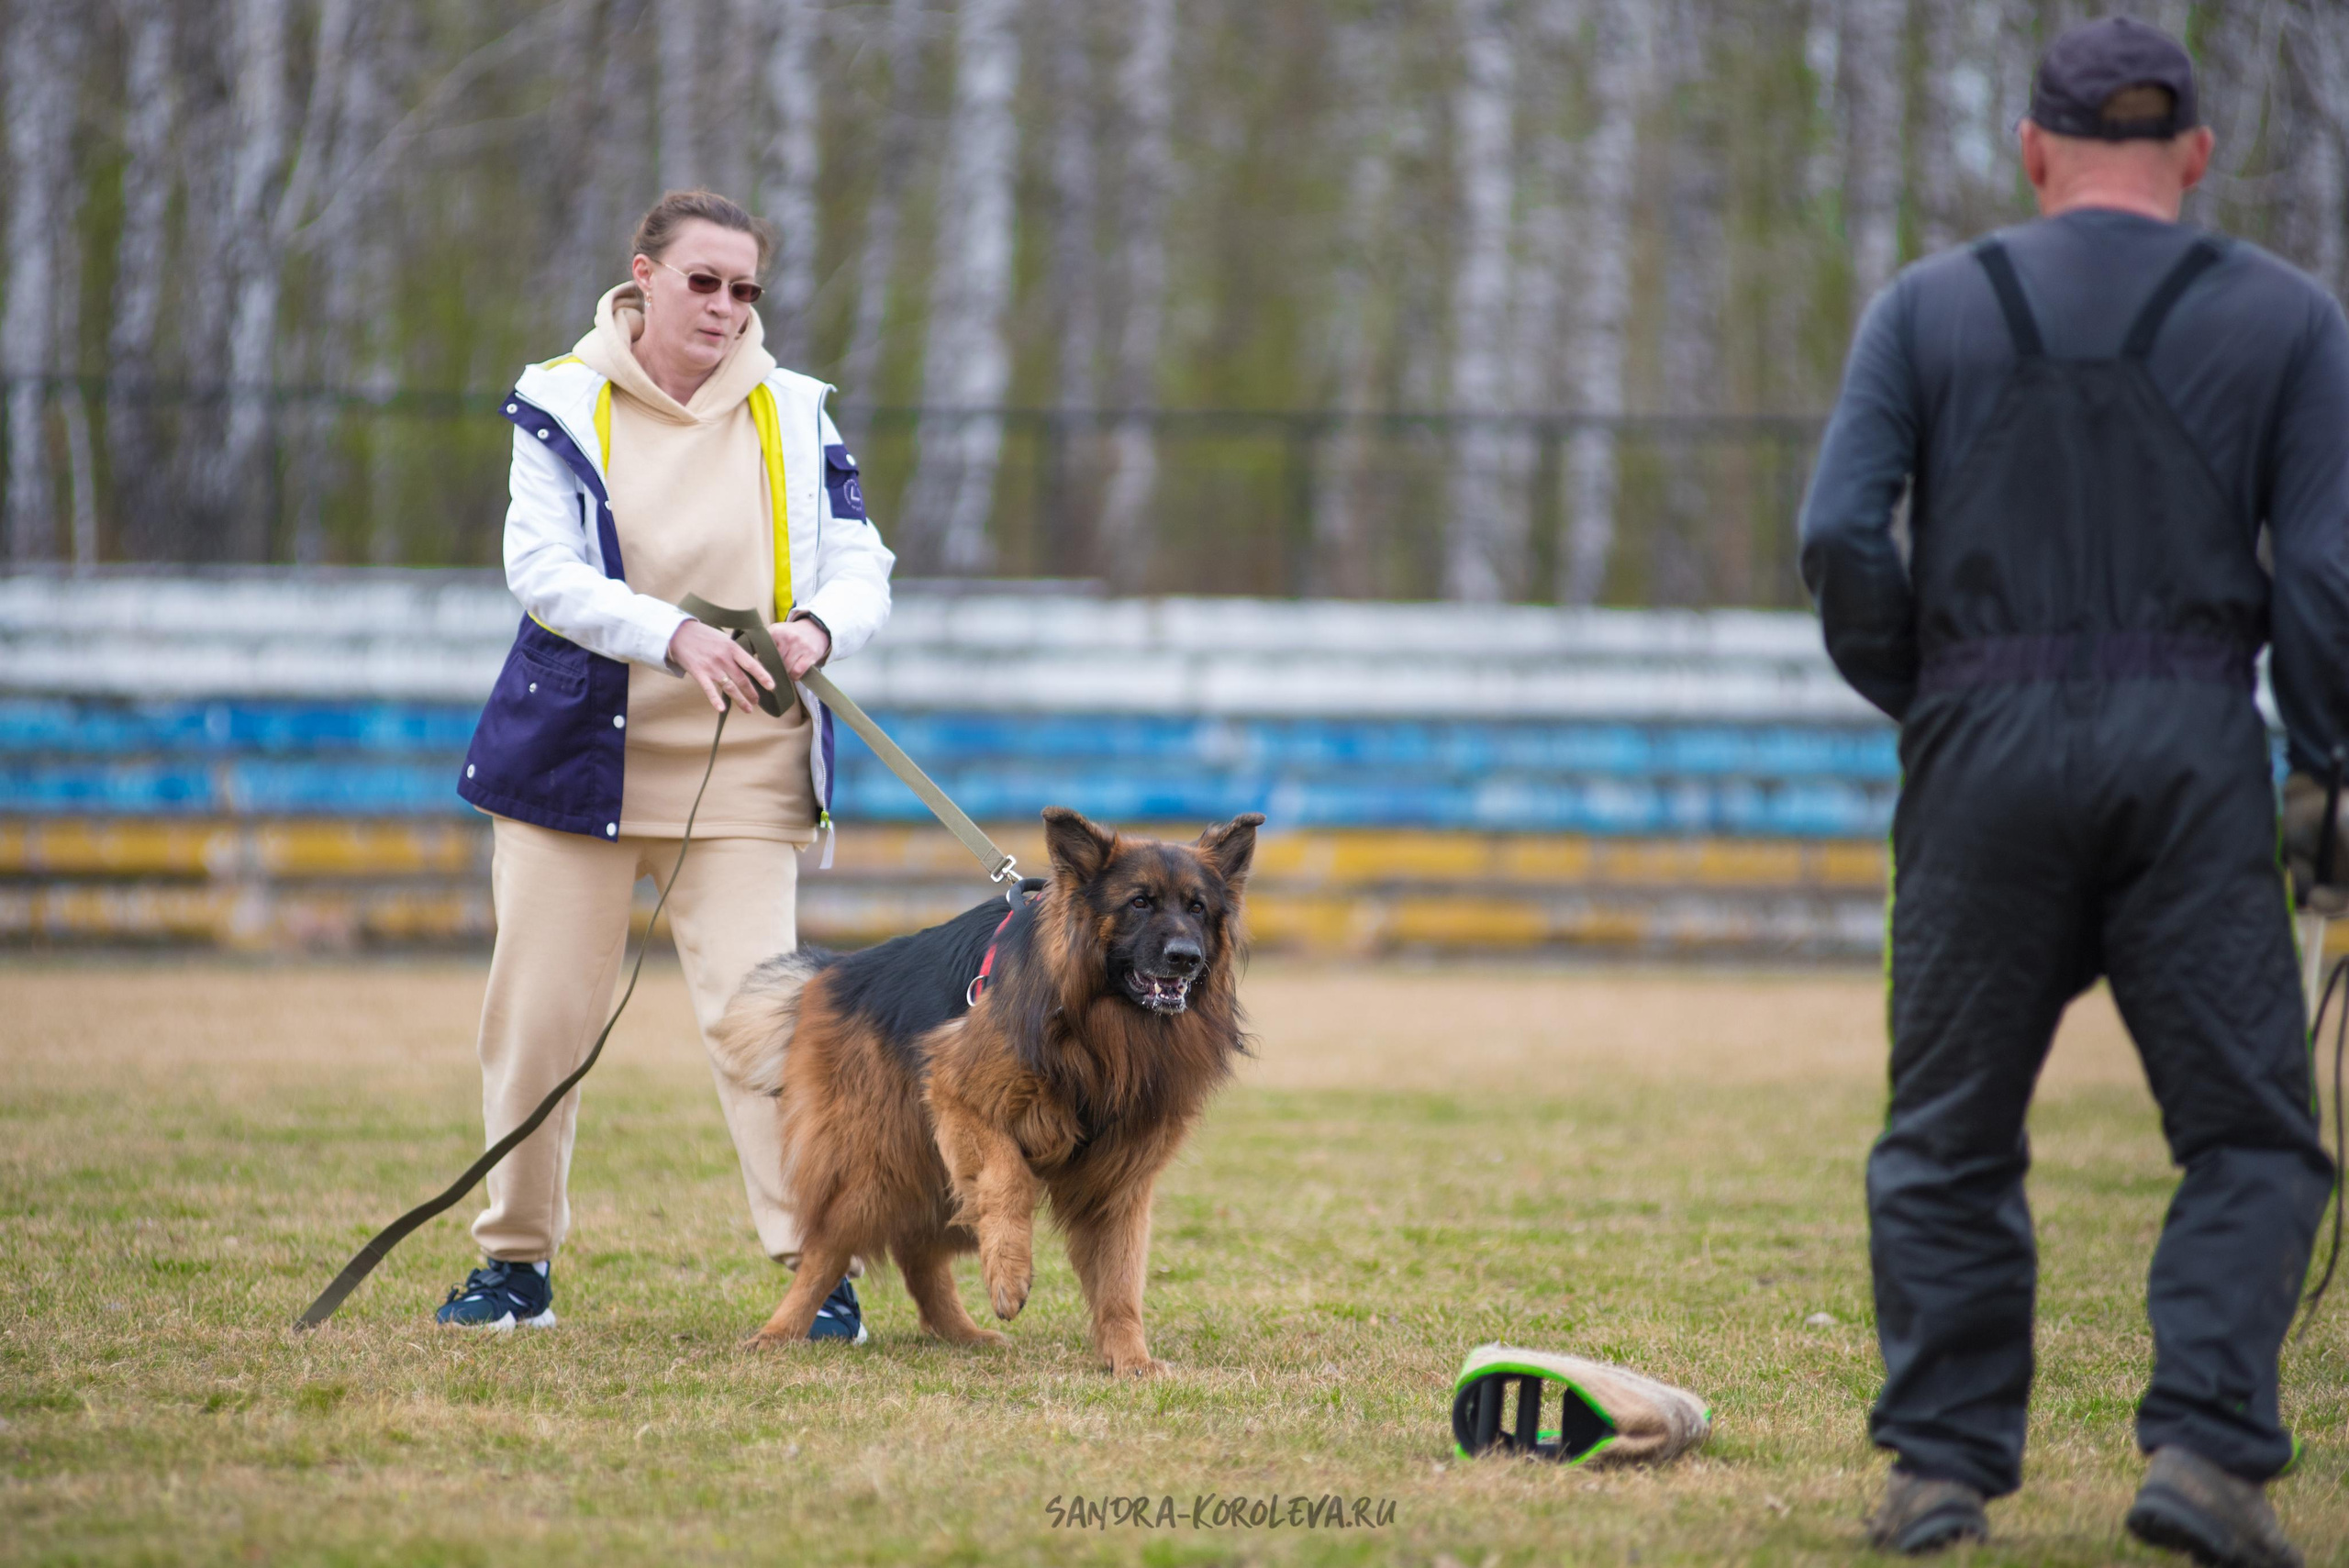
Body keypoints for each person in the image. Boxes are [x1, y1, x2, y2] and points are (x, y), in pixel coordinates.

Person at [1800, 18, 2349, 1565]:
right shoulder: (2290, 323)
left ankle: (1939, 1473)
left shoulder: (1929, 308)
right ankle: (2207, 1456)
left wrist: (1940, 692)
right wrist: (2331, 759)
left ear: (2034, 150)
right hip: (2188, 747)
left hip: (1981, 740)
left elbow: (1843, 533)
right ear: (2195, 150)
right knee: (2250, 1134)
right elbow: (2321, 570)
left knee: (1949, 1133)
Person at [438, 190, 895, 1340]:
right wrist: (672, 633)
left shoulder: (796, 409)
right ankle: (514, 1268)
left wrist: (821, 629)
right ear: (643, 276)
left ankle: (814, 1271)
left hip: (747, 767)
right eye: (705, 281)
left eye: (746, 289)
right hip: (573, 759)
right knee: (537, 1023)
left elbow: (860, 556)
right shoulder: (559, 396)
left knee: (767, 1028)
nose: (727, 307)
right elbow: (539, 569)